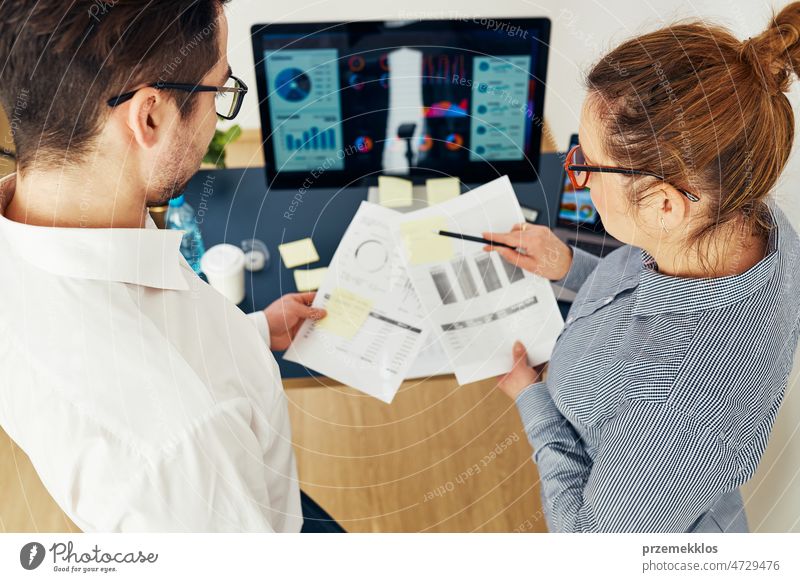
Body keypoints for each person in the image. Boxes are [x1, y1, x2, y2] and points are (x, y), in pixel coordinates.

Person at [0, 1, 342, 532]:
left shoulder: (51, 223)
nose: (217, 117)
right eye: (220, 90)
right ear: (150, 117)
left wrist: (248, 334)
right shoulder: (187, 450)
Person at [483, 3, 800, 532]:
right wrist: (571, 267)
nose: (576, 174)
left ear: (665, 204)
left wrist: (533, 401)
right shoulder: (744, 213)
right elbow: (639, 296)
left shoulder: (682, 402)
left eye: (587, 162)